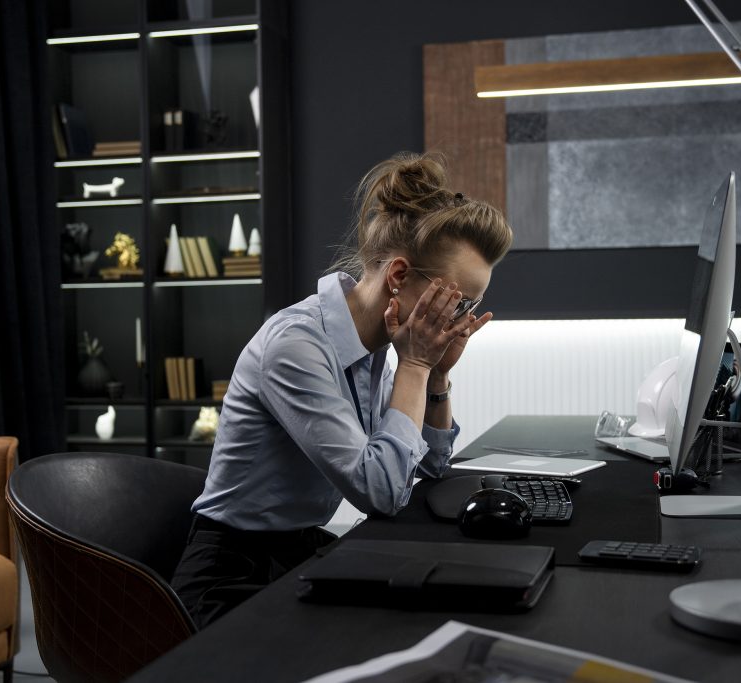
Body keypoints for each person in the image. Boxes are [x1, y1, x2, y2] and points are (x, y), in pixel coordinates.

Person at [171, 151, 514, 628]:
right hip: (229, 573)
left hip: (295, 550)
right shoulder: (295, 346)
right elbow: (382, 491)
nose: (459, 321)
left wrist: (435, 377)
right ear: (398, 276)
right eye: (457, 302)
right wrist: (415, 365)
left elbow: (431, 466)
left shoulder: (373, 346)